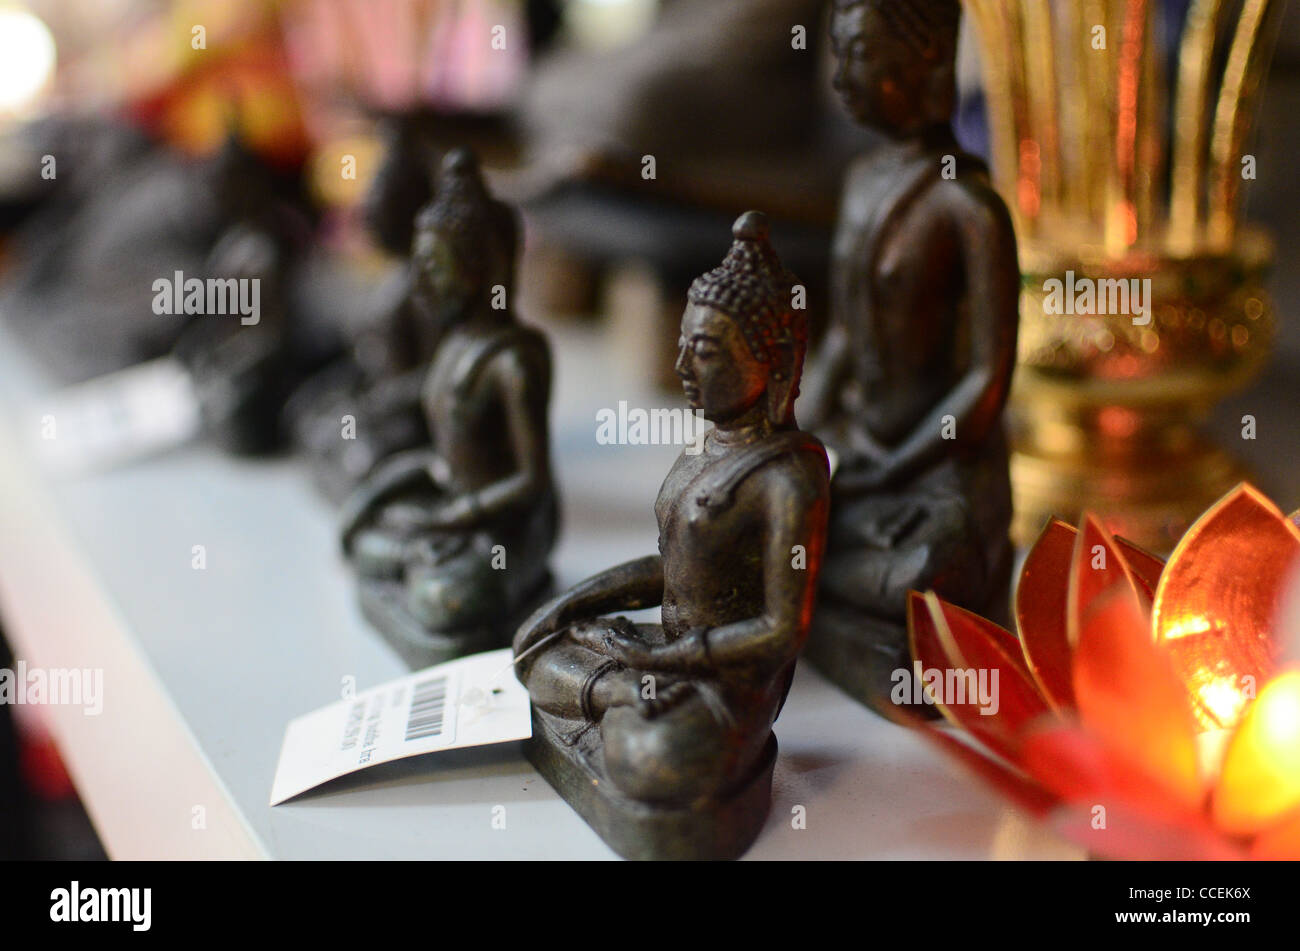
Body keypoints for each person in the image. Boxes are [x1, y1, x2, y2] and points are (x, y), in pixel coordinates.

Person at [514, 213, 828, 833]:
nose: (682, 362)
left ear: (772, 360)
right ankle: (623, 696)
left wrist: (678, 658)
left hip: (728, 683)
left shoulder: (788, 475)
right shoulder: (703, 449)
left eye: (705, 349)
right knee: (535, 647)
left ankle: (627, 708)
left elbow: (782, 630)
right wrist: (577, 600)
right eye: (683, 342)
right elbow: (675, 568)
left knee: (656, 758)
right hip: (664, 654)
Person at [800, 0, 1021, 711]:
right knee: (753, 520)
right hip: (859, 446)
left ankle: (873, 596)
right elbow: (841, 336)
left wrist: (896, 468)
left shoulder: (967, 204)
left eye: (862, 55)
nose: (842, 76)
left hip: (941, 471)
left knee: (924, 571)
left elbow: (986, 383)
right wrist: (794, 434)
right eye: (840, 53)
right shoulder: (861, 180)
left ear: (926, 63)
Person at [339, 150, 556, 663]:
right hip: (455, 508)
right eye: (418, 267)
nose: (421, 284)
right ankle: (422, 559)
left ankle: (445, 578)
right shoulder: (451, 346)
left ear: (482, 270)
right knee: (371, 541)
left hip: (509, 526)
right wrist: (378, 493)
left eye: (435, 268)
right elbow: (444, 459)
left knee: (450, 597)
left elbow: (532, 483)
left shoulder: (514, 359)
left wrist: (457, 517)